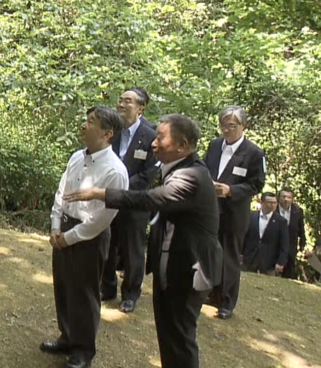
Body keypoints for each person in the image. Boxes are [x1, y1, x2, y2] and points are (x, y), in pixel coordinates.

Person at [64, 114, 221, 368]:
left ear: (182, 145)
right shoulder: (178, 168)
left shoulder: (191, 176)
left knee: (179, 337)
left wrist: (99, 193)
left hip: (190, 270)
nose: (153, 144)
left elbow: (149, 199)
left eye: (160, 138)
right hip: (174, 267)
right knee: (170, 335)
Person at [41, 107, 128, 368]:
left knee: (85, 292)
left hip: (90, 236)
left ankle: (83, 351)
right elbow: (61, 192)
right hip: (64, 228)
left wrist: (72, 237)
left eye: (91, 122)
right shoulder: (77, 157)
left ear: (107, 133)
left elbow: (103, 218)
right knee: (64, 286)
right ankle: (67, 336)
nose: (83, 125)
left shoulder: (115, 171)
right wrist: (56, 225)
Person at [203, 105, 265, 319]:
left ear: (243, 125)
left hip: (234, 211)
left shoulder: (254, 153)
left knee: (229, 255)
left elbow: (256, 184)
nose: (226, 130)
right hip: (211, 208)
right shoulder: (214, 145)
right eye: (223, 125)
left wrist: (231, 190)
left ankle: (227, 302)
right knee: (211, 250)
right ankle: (211, 292)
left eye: (231, 126)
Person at [101, 88, 158, 313]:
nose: (122, 104)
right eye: (121, 100)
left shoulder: (151, 135)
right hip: (111, 200)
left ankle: (131, 294)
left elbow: (148, 175)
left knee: (133, 249)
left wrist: (122, 189)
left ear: (141, 108)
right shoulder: (112, 131)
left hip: (135, 201)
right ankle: (107, 288)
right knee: (107, 244)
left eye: (128, 101)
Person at [241, 192, 289, 275]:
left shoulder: (281, 221)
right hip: (249, 258)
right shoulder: (251, 216)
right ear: (262, 203)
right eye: (270, 202)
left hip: (269, 261)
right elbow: (244, 236)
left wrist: (281, 262)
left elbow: (284, 244)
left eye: (274, 203)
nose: (273, 205)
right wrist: (240, 252)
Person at [277, 188, 306, 279]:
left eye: (289, 197)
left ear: (292, 199)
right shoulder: (274, 209)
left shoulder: (298, 211)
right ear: (279, 198)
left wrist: (302, 244)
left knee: (289, 272)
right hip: (275, 245)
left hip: (291, 246)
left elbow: (301, 229)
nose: (286, 199)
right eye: (283, 197)